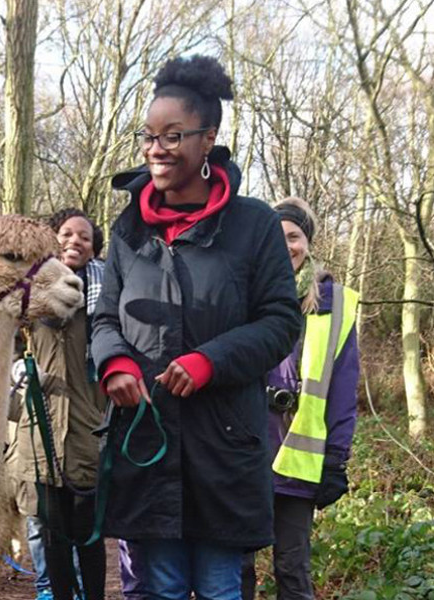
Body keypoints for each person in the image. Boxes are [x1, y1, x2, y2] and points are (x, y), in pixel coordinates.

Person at [90, 55, 303, 600]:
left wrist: (210, 361)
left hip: (224, 446)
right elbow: (105, 316)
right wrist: (114, 363)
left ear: (208, 139)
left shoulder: (253, 224)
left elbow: (281, 321)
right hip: (147, 441)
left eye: (172, 135)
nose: (156, 148)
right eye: (148, 135)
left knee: (217, 589)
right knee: (157, 588)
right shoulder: (128, 228)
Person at [240, 197, 360, 600]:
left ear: (308, 242)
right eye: (276, 237)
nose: (286, 245)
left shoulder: (334, 304)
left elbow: (343, 390)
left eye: (294, 236)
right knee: (235, 565)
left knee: (292, 568)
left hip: (298, 463)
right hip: (244, 453)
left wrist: (336, 460)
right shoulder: (243, 293)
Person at [10, 208, 108, 600]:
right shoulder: (27, 298)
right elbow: (7, 344)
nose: (74, 241)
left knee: (89, 538)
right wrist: (17, 367)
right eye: (66, 233)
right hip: (41, 434)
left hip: (88, 434)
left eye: (84, 236)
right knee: (53, 541)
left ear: (94, 248)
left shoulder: (105, 299)